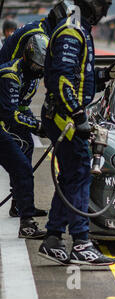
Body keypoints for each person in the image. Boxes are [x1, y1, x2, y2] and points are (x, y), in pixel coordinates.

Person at [38, 0, 115, 266]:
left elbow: (82, 77)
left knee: (70, 176)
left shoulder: (81, 30)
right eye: (104, 4)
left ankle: (53, 238)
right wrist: (78, 116)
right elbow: (63, 80)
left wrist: (109, 74)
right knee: (79, 172)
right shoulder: (72, 31)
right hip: (65, 117)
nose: (106, 11)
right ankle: (81, 243)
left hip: (67, 114)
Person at [0, 0, 75, 218]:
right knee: (20, 160)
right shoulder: (34, 35)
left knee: (26, 151)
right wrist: (32, 123)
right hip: (9, 97)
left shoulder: (43, 31)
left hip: (18, 97)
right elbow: (19, 67)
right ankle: (23, 208)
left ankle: (20, 203)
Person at [0, 34, 49, 239]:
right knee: (21, 167)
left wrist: (41, 123)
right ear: (28, 57)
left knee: (27, 147)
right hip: (3, 121)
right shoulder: (10, 75)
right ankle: (27, 224)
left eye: (42, 67)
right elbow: (9, 113)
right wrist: (36, 125)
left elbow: (22, 106)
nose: (40, 71)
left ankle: (19, 205)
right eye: (37, 66)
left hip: (7, 119)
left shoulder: (33, 75)